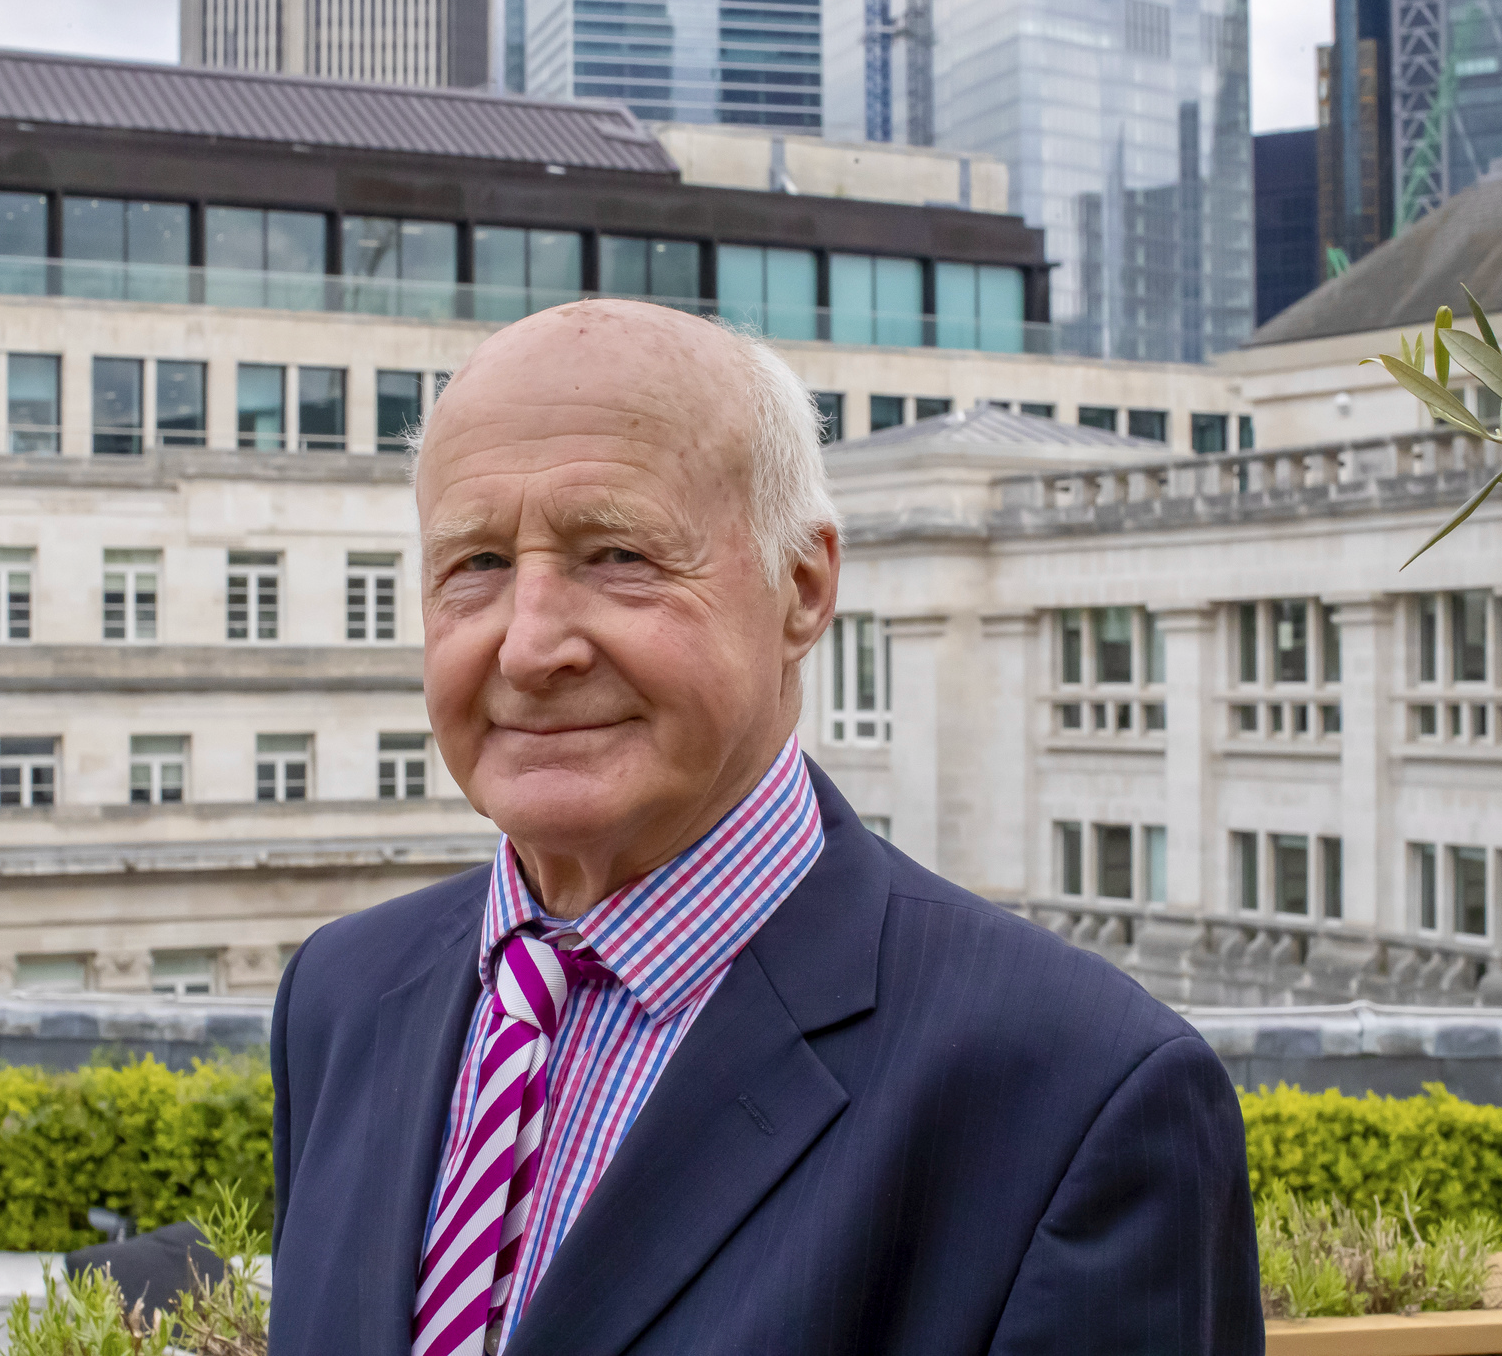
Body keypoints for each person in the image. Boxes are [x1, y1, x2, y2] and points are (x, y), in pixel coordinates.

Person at [267, 300, 1262, 1356]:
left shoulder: (1077, 1095)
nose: (528, 646)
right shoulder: (340, 996)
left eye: (616, 554)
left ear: (803, 587)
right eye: (475, 565)